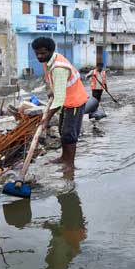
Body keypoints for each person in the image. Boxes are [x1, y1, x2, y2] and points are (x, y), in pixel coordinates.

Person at [31, 37, 88, 173]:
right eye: (37, 53)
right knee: (63, 131)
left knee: (69, 134)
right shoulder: (49, 61)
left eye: (43, 53)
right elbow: (54, 81)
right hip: (64, 100)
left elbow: (59, 99)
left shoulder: (59, 67)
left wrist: (46, 120)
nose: (39, 56)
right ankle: (63, 157)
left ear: (51, 51)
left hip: (74, 102)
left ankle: (70, 165)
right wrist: (52, 89)